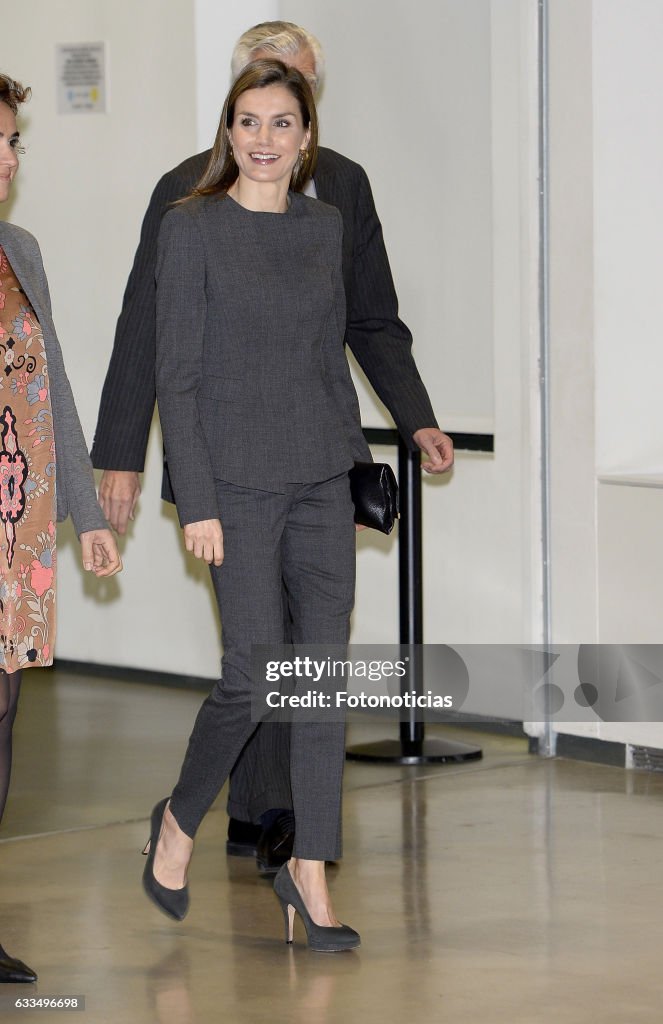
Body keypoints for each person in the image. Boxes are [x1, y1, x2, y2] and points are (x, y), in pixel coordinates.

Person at [91, 21, 454, 870]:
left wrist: (416, 415)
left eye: (291, 93)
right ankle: (256, 812)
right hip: (230, 462)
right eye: (256, 98)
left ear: (309, 107)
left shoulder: (344, 198)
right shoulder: (188, 197)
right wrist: (122, 452)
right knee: (258, 651)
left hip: (312, 457)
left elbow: (370, 317)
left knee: (312, 653)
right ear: (235, 103)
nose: (270, 120)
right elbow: (147, 330)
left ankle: (288, 826)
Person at [143, 59, 365, 951]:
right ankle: (179, 818)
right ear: (226, 133)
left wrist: (350, 475)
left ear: (306, 138)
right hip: (233, 486)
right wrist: (196, 500)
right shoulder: (190, 228)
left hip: (318, 479)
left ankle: (308, 865)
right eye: (248, 122)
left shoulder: (326, 227)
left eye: (281, 124)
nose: (264, 140)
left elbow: (329, 362)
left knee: (320, 679)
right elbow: (178, 376)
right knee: (252, 675)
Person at [0, 74, 122, 984]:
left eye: (15, 145)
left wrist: (83, 516)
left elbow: (55, 389)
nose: (8, 162)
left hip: (17, 528)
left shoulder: (20, 250)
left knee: (0, 718)